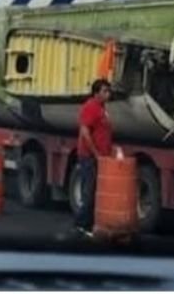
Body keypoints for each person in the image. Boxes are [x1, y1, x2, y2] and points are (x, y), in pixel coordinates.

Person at [74, 78, 113, 235]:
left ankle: (88, 224)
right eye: (105, 91)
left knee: (95, 191)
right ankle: (81, 224)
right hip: (89, 156)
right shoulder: (91, 107)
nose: (108, 94)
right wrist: (95, 153)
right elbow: (85, 133)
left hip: (100, 157)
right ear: (96, 93)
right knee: (89, 192)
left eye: (108, 91)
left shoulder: (103, 109)